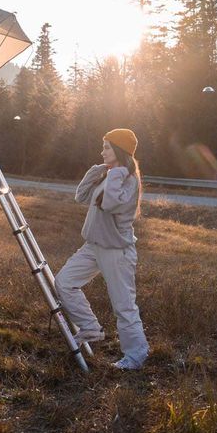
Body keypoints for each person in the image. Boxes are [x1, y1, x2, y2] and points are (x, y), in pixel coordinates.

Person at [55, 129, 149, 370]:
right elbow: (81, 196)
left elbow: (110, 204)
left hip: (117, 252)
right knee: (64, 282)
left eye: (106, 147)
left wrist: (115, 173)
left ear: (119, 150)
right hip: (93, 246)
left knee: (124, 305)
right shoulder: (110, 174)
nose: (102, 151)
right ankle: (90, 328)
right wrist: (95, 172)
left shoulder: (127, 179)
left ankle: (136, 357)